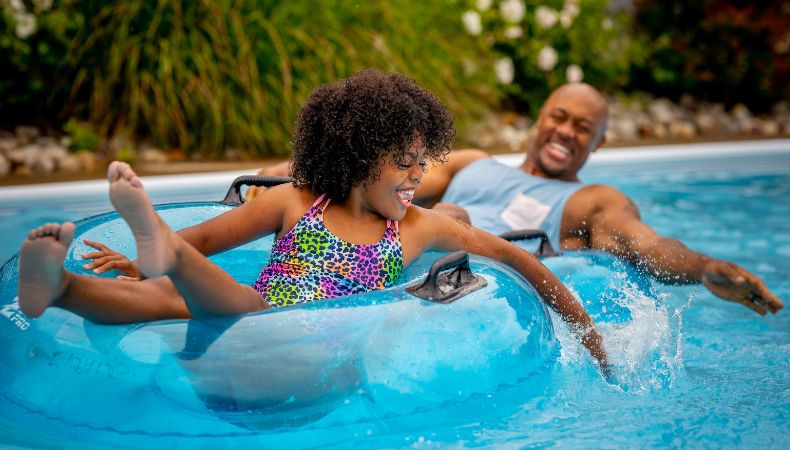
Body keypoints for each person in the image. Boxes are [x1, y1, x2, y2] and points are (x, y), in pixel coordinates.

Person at [18, 70, 610, 372]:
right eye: (402, 163)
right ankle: (61, 288)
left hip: (321, 352)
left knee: (228, 300)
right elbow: (204, 238)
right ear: (357, 155)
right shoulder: (294, 201)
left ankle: (160, 255)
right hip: (250, 322)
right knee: (173, 299)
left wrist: (588, 334)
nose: (415, 177)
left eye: (420, 164)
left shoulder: (419, 228)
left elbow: (515, 257)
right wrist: (138, 262)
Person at [242, 83, 784, 316]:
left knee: (448, 215)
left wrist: (703, 267)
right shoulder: (472, 162)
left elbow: (646, 245)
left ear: (599, 144)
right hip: (394, 252)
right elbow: (369, 171)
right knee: (441, 212)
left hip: (470, 265)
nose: (566, 132)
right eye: (559, 117)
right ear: (540, 118)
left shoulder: (593, 199)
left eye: (584, 128)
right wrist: (278, 177)